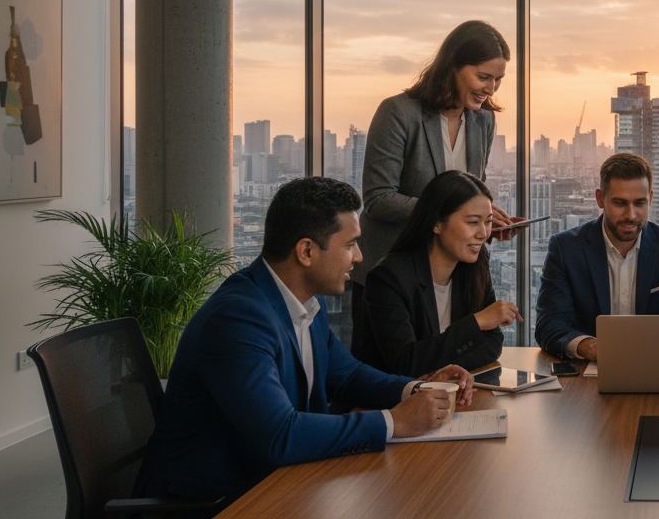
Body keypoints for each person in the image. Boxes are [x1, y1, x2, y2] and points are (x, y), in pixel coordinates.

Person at [135, 177, 475, 509]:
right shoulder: (238, 319)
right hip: (213, 500)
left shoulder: (305, 301)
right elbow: (280, 434)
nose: (358, 257)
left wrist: (419, 389)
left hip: (279, 483)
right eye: (349, 244)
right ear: (307, 251)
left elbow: (349, 375)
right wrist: (396, 422)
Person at [355, 20, 522, 351]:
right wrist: (451, 215)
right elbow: (378, 199)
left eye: (498, 80)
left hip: (451, 274)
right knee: (396, 373)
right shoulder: (399, 112)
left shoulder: (483, 120)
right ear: (454, 67)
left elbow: (471, 191)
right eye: (483, 77)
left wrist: (487, 221)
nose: (491, 89)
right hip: (393, 273)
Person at [535, 152, 659, 360]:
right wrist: (589, 347)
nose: (631, 215)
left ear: (650, 199)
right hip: (589, 373)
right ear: (600, 199)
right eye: (620, 203)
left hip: (657, 365)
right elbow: (549, 325)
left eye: (640, 203)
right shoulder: (566, 248)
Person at [353, 171, 521, 375]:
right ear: (436, 223)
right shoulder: (389, 278)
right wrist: (477, 323)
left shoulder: (475, 262)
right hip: (398, 402)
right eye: (472, 222)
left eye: (487, 221)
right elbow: (406, 363)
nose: (483, 234)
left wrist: (443, 368)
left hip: (455, 393)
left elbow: (492, 344)